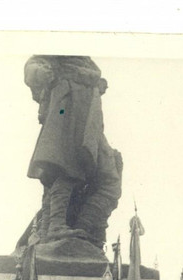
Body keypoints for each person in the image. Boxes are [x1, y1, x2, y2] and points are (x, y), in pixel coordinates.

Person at [24, 55, 122, 247]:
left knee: (110, 179)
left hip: (90, 119)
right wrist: (46, 76)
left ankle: (83, 229)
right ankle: (56, 227)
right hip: (67, 108)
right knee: (67, 165)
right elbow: (34, 66)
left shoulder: (88, 62)